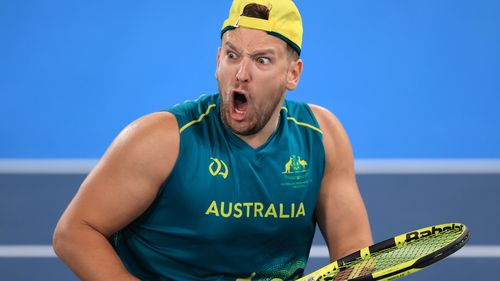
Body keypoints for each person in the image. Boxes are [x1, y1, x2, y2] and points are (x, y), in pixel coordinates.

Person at [53, 0, 372, 280]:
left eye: (262, 60)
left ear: (293, 74)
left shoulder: (321, 137)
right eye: (233, 55)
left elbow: (355, 256)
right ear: (218, 59)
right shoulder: (162, 140)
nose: (241, 73)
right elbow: (75, 232)